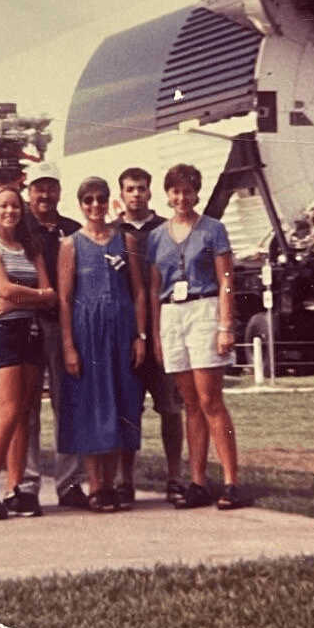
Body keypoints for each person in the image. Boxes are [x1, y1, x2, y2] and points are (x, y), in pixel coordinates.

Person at [148, 164, 245, 510]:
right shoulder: (157, 236)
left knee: (211, 401)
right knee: (189, 404)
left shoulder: (213, 230)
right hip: (172, 316)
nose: (181, 198)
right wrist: (157, 337)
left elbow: (227, 281)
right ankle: (198, 482)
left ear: (197, 193)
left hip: (204, 310)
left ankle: (232, 482)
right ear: (168, 194)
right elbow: (154, 287)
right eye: (175, 191)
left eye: (187, 191)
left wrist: (225, 325)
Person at [57, 177, 147, 512]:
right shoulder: (70, 245)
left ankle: (113, 483)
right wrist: (68, 345)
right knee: (94, 409)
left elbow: (138, 290)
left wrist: (140, 335)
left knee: (121, 405)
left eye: (100, 199)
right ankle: (95, 485)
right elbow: (65, 299)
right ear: (80, 204)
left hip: (122, 331)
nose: (95, 206)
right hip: (87, 334)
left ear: (109, 202)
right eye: (88, 200)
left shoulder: (125, 239)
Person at [0, 185, 57, 520]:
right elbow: (2, 288)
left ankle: (15, 490)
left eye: (14, 207)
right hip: (0, 332)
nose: (10, 212)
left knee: (25, 415)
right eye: (3, 206)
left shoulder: (31, 247)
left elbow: (51, 294)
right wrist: (31, 294)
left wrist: (23, 297)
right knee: (8, 413)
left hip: (30, 333)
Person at [17, 161, 89, 509]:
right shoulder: (15, 229)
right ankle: (28, 484)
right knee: (26, 410)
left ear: (60, 191)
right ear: (28, 191)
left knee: (70, 405)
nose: (45, 194)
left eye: (51, 187)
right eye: (38, 188)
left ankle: (70, 483)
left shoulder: (73, 231)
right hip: (25, 327)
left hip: (63, 327)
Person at [115, 167, 185, 508]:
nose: (136, 195)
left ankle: (175, 478)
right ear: (122, 193)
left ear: (150, 192)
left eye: (142, 189)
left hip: (163, 328)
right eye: (130, 189)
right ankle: (124, 480)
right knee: (129, 409)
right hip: (125, 332)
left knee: (170, 408)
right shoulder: (112, 232)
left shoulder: (166, 229)